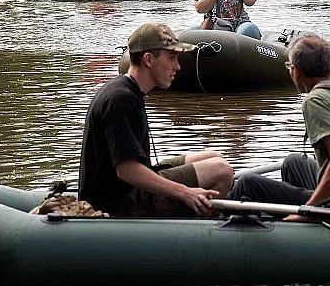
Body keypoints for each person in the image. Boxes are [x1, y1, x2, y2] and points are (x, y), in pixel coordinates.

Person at [78, 23, 234, 217]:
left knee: (214, 157)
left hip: (129, 189)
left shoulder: (127, 90)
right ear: (149, 60)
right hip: (120, 202)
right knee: (221, 171)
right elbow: (126, 170)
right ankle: (202, 236)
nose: (177, 66)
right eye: (172, 57)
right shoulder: (120, 99)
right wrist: (185, 192)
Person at [226, 35, 330, 219]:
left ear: (295, 72)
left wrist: (309, 211)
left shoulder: (315, 100)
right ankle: (292, 230)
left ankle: (218, 228)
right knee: (294, 162)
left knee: (248, 184)